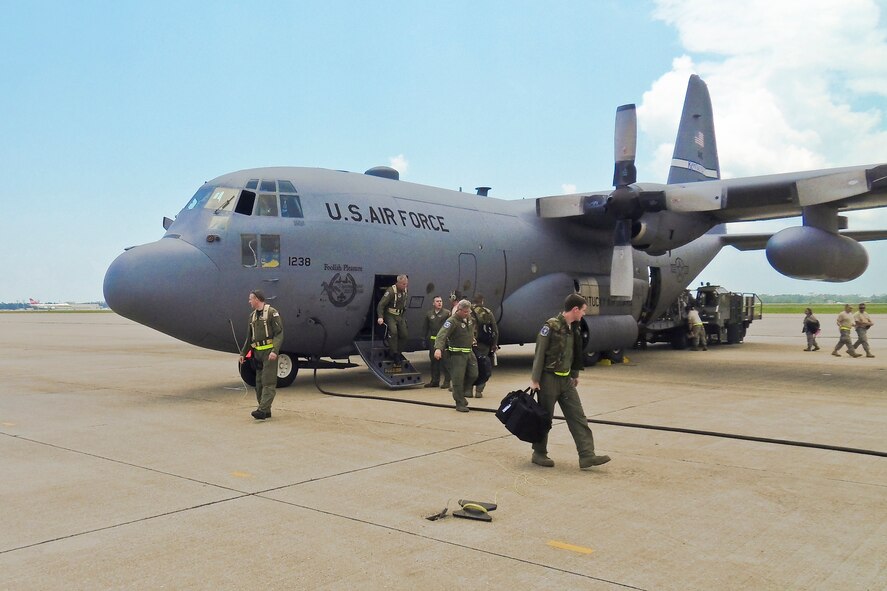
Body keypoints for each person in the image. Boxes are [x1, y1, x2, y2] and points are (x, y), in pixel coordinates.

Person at [529, 293, 610, 470]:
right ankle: (539, 453)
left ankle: (587, 455)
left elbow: (574, 352)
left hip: (566, 380)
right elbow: (539, 353)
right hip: (548, 379)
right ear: (575, 309)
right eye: (583, 310)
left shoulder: (574, 327)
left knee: (578, 416)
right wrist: (535, 380)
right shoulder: (551, 326)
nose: (584, 314)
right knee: (545, 418)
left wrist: (574, 373)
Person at [239, 290, 284, 420]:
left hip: (269, 353)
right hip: (257, 353)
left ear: (257, 299)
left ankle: (262, 409)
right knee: (258, 383)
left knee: (268, 382)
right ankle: (265, 409)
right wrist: (243, 353)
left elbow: (279, 333)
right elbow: (249, 338)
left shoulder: (271, 313)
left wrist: (274, 351)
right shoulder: (252, 316)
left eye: (250, 299)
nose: (249, 301)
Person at [434, 299, 478, 412]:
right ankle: (459, 403)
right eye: (465, 312)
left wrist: (472, 338)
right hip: (457, 355)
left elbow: (470, 331)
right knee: (457, 379)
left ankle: (463, 394)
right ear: (458, 310)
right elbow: (441, 335)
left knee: (474, 374)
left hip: (469, 352)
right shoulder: (452, 321)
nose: (467, 314)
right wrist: (438, 349)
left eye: (468, 312)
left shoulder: (468, 319)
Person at [470, 294, 499, 398]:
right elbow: (495, 330)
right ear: (482, 301)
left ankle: (468, 390)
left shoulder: (467, 311)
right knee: (483, 366)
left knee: (470, 366)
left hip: (470, 344)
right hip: (484, 344)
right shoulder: (487, 312)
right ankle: (479, 391)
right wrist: (494, 344)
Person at [376, 275, 409, 361]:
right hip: (390, 315)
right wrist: (380, 317)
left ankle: (398, 352)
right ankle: (393, 353)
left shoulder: (405, 291)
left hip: (400, 316)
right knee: (393, 332)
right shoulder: (391, 291)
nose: (405, 286)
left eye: (406, 284)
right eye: (403, 284)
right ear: (398, 283)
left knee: (404, 335)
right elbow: (381, 305)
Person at [421, 295, 451, 388]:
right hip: (433, 341)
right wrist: (423, 338)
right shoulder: (429, 314)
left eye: (440, 301)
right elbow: (425, 327)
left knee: (445, 362)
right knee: (434, 362)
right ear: (433, 303)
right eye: (437, 301)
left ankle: (446, 382)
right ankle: (434, 381)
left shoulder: (447, 313)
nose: (439, 303)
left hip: (444, 341)